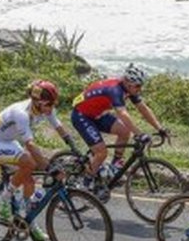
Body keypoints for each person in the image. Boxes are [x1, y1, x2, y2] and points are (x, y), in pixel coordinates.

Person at [0, 80, 81, 241]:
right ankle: (5, 199)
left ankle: (30, 222)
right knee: (29, 163)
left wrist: (74, 147)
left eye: (53, 104)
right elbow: (30, 144)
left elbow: (59, 127)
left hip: (9, 142)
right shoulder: (21, 113)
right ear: (37, 101)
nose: (51, 108)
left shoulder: (45, 108)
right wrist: (49, 167)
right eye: (48, 104)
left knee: (30, 181)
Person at [70, 63, 168, 201]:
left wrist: (160, 128)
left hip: (97, 114)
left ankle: (114, 167)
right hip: (81, 116)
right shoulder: (115, 90)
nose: (140, 89)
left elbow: (143, 108)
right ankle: (85, 183)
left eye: (141, 86)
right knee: (101, 152)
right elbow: (123, 114)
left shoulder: (129, 89)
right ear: (128, 82)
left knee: (124, 131)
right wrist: (139, 134)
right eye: (138, 86)